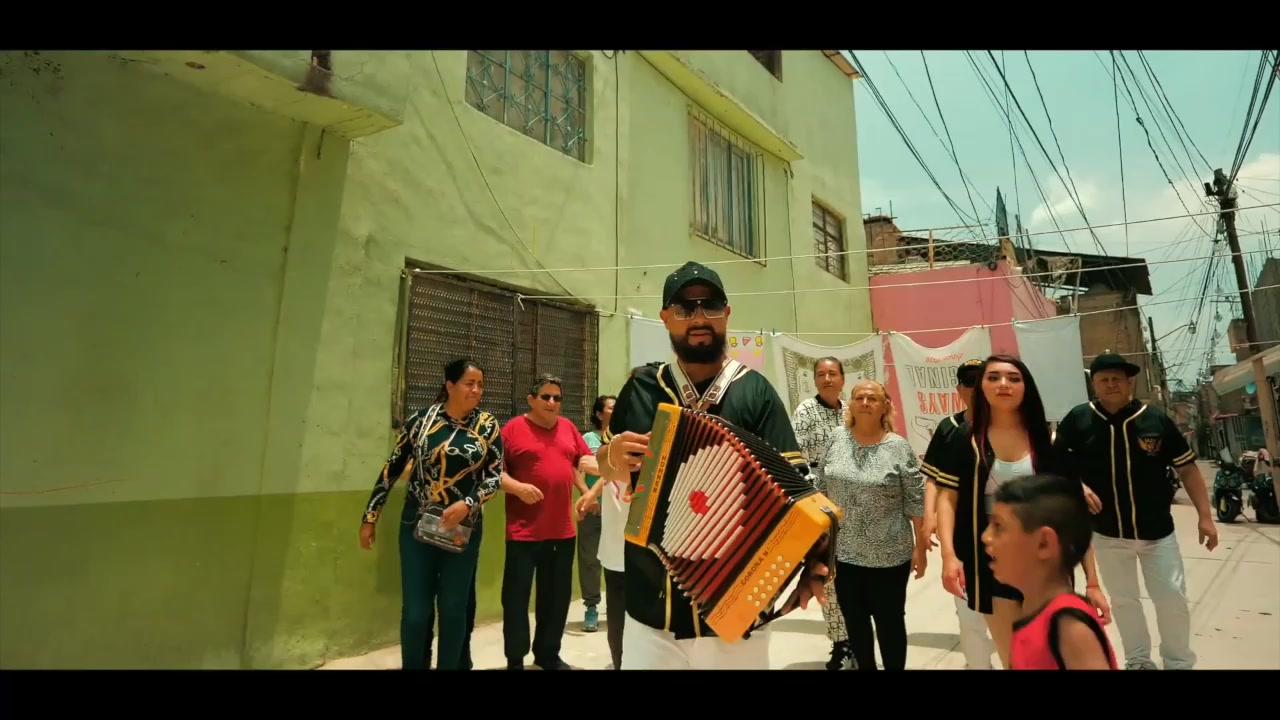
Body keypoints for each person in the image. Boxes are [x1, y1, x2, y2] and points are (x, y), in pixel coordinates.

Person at [595, 260, 830, 670]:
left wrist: (814, 559)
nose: (699, 317)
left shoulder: (755, 391)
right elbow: (607, 466)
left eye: (711, 305)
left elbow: (798, 489)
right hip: (651, 607)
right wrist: (610, 455)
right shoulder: (642, 388)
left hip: (738, 607)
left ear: (727, 313)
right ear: (665, 317)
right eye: (685, 308)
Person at [928, 354, 1110, 669]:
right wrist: (949, 557)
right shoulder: (964, 439)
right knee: (1015, 659)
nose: (1004, 384)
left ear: (1027, 387)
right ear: (981, 387)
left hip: (1044, 563)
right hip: (990, 561)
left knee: (1052, 656)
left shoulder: (1049, 442)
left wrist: (1092, 582)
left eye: (1014, 378)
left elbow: (1070, 515)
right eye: (993, 377)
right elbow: (948, 499)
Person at [1053, 353, 1217, 670]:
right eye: (1103, 379)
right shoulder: (1079, 419)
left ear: (1129, 382)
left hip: (1157, 532)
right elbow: (1056, 463)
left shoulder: (1154, 420)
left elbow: (1187, 469)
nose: (1111, 384)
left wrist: (1205, 517)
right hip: (1107, 533)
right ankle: (1138, 661)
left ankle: (1178, 662)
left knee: (1171, 597)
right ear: (1094, 384)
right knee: (1124, 601)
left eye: (1117, 378)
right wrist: (1078, 486)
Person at [359, 358, 502, 671]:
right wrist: (371, 516)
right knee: (415, 611)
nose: (476, 390)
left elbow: (494, 476)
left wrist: (468, 503)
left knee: (453, 609)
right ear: (450, 385)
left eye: (480, 384)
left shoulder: (488, 426)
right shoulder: (421, 421)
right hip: (417, 525)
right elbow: (391, 469)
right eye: (469, 383)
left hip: (463, 527)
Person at [818, 379, 926, 671]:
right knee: (855, 621)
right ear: (851, 404)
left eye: (872, 398)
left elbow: (916, 500)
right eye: (859, 397)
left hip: (890, 556)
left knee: (890, 622)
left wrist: (921, 549)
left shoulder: (898, 447)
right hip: (845, 553)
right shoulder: (836, 439)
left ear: (884, 406)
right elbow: (820, 488)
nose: (865, 403)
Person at [500, 373, 600, 671]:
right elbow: (494, 472)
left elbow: (581, 463)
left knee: (556, 600)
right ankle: (515, 659)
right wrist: (518, 488)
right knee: (516, 600)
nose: (552, 402)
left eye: (557, 397)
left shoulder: (568, 428)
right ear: (531, 400)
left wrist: (587, 492)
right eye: (546, 396)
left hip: (562, 532)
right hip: (522, 533)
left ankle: (547, 655)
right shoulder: (512, 429)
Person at [983, 473, 1119, 670]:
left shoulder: (1068, 624)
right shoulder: (1034, 610)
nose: (986, 536)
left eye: (998, 526)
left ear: (1044, 543)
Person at [921, 358, 997, 670]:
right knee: (969, 615)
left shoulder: (1011, 427)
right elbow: (934, 479)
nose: (976, 388)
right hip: (964, 533)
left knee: (1013, 613)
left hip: (1008, 537)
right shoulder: (949, 429)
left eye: (982, 381)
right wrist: (929, 516)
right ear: (959, 389)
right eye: (969, 382)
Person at [790, 356, 853, 670]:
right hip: (821, 501)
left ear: (842, 378)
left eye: (832, 373)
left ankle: (858, 638)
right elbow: (795, 458)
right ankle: (841, 642)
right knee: (828, 573)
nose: (827, 379)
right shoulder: (805, 411)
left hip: (854, 499)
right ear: (815, 380)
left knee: (855, 573)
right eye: (821, 374)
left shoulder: (852, 410)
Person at [575, 394, 616, 634]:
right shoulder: (588, 439)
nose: (615, 410)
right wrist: (587, 494)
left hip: (619, 510)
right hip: (593, 509)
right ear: (599, 414)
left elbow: (621, 469)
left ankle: (618, 607)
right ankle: (591, 607)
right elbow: (576, 468)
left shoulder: (623, 438)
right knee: (589, 559)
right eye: (610, 407)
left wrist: (600, 470)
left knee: (618, 559)